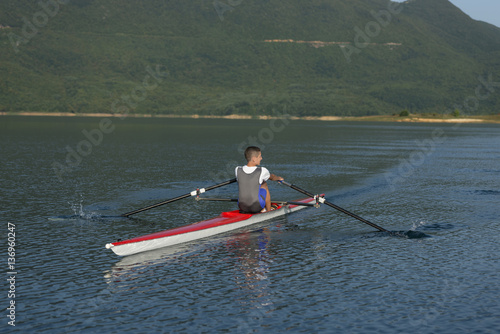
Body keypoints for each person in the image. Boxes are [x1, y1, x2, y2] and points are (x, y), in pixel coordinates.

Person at [235, 146, 284, 213]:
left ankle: (248, 207)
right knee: (264, 184)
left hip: (242, 206)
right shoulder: (262, 170)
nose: (261, 158)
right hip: (256, 207)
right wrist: (278, 178)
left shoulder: (237, 169)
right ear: (254, 159)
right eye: (260, 156)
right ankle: (268, 211)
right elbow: (272, 177)